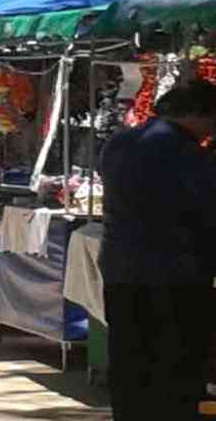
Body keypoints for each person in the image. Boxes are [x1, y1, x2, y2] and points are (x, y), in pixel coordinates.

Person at [98, 79, 216, 420]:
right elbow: (203, 208)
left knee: (130, 361)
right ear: (197, 115)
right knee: (175, 368)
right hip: (175, 274)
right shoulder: (185, 153)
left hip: (122, 269)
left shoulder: (119, 143)